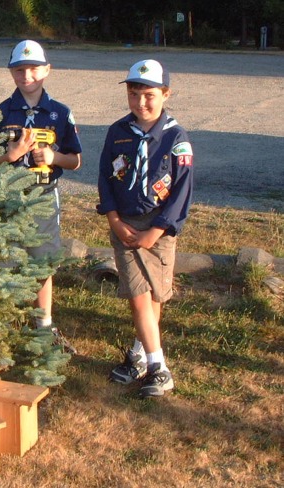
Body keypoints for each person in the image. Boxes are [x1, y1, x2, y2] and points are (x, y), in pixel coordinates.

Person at [97, 59, 194, 398]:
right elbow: (105, 179)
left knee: (155, 295)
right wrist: (113, 219)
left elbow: (182, 190)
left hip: (158, 228)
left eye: (149, 95)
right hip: (124, 225)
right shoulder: (118, 132)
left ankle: (139, 355)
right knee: (138, 297)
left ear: (166, 94)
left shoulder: (176, 137)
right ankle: (159, 368)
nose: (140, 102)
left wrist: (157, 230)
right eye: (134, 94)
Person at [0, 40, 82, 353]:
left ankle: (43, 325)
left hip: (43, 195)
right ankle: (1, 323)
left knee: (42, 261)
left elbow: (75, 160)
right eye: (19, 69)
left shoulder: (60, 113)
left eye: (33, 68)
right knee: (5, 259)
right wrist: (10, 155)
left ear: (47, 70)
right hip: (9, 197)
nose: (26, 74)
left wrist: (54, 158)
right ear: (12, 72)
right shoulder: (1, 113)